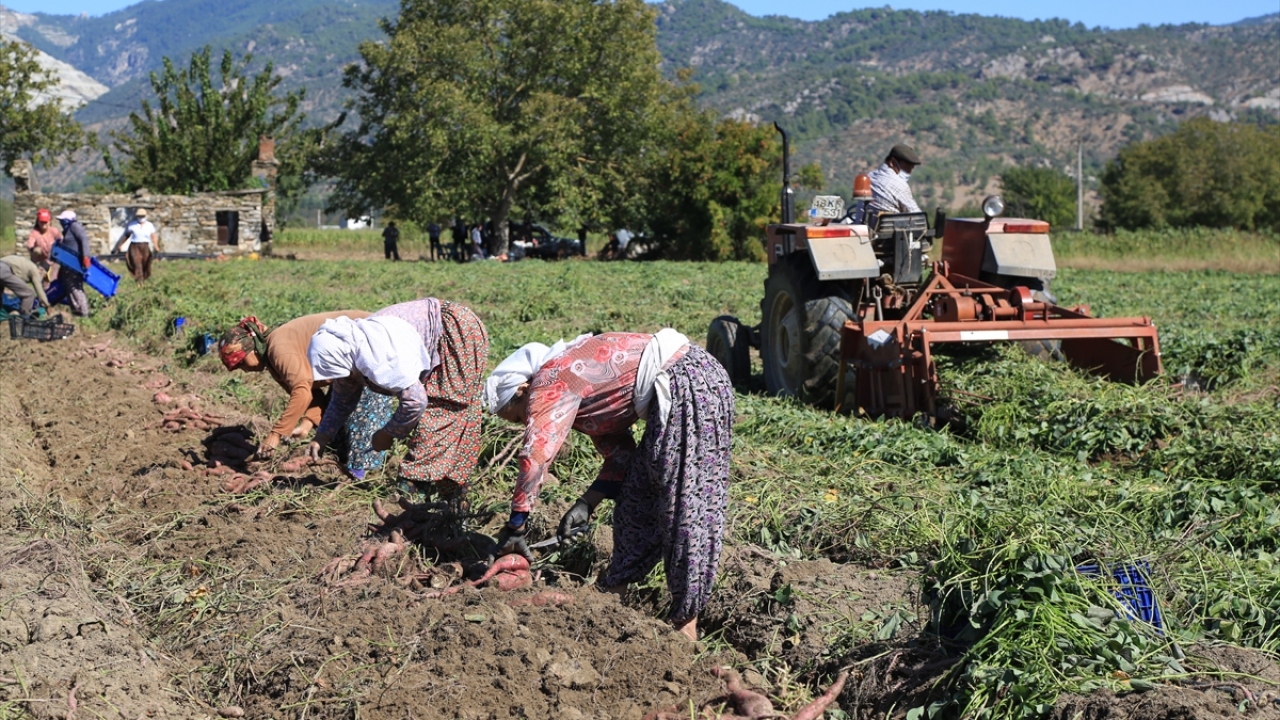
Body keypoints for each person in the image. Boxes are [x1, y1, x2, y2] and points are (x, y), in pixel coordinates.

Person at [485, 330, 734, 641]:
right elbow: (622, 459)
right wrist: (586, 503)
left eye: (519, 416)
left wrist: (516, 526)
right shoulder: (585, 402)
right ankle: (614, 594)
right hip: (680, 386)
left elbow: (535, 454)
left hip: (690, 381)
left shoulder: (552, 379)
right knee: (635, 497)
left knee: (683, 501)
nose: (526, 422)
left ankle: (686, 626)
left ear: (524, 389)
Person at [306, 298, 490, 499]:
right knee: (439, 419)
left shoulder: (380, 354)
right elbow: (341, 400)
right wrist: (322, 437)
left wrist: (388, 433)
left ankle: (422, 491)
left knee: (443, 412)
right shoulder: (348, 356)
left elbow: (416, 402)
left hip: (454, 330)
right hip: (439, 327)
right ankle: (440, 496)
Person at [218, 311, 396, 479]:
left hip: (372, 345)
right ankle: (348, 466)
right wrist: (306, 424)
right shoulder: (272, 360)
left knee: (360, 416)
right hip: (347, 367)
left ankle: (364, 477)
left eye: (242, 363)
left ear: (252, 348)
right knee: (335, 432)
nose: (245, 370)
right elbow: (311, 390)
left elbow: (302, 391)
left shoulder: (279, 349)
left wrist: (276, 434)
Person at [55, 210, 92, 317]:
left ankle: (84, 313)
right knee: (69, 287)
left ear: (67, 220)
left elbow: (84, 239)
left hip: (75, 264)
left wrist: (86, 256)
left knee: (75, 287)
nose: (61, 222)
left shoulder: (75, 226)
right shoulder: (67, 230)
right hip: (68, 264)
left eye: (62, 220)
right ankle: (77, 312)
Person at [867, 144, 922, 216]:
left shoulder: (868, 177)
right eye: (907, 169)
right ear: (892, 163)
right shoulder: (899, 185)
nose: (910, 173)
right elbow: (917, 216)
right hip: (887, 227)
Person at [112, 209, 160, 282]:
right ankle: (139, 281)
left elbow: (154, 236)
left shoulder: (149, 225)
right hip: (135, 246)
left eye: (142, 216)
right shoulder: (132, 225)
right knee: (137, 264)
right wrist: (120, 244)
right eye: (139, 216)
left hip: (145, 246)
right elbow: (127, 236)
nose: (141, 218)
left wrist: (156, 246)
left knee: (145, 263)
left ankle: (144, 279)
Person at [26, 208, 62, 277]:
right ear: (38, 222)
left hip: (53, 261)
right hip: (40, 262)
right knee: (40, 280)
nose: (43, 224)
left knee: (53, 279)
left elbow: (62, 242)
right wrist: (34, 249)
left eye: (45, 222)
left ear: (49, 221)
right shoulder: (35, 233)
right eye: (41, 222)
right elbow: (30, 244)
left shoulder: (54, 231)